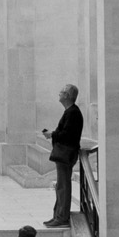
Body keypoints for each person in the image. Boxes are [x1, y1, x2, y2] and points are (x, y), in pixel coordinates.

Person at [41, 83, 83, 227]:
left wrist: (52, 134)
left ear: (67, 95)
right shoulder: (70, 111)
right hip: (65, 153)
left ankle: (62, 217)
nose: (59, 94)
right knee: (60, 186)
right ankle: (58, 215)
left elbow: (67, 135)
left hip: (66, 154)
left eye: (61, 92)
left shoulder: (73, 112)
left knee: (63, 186)